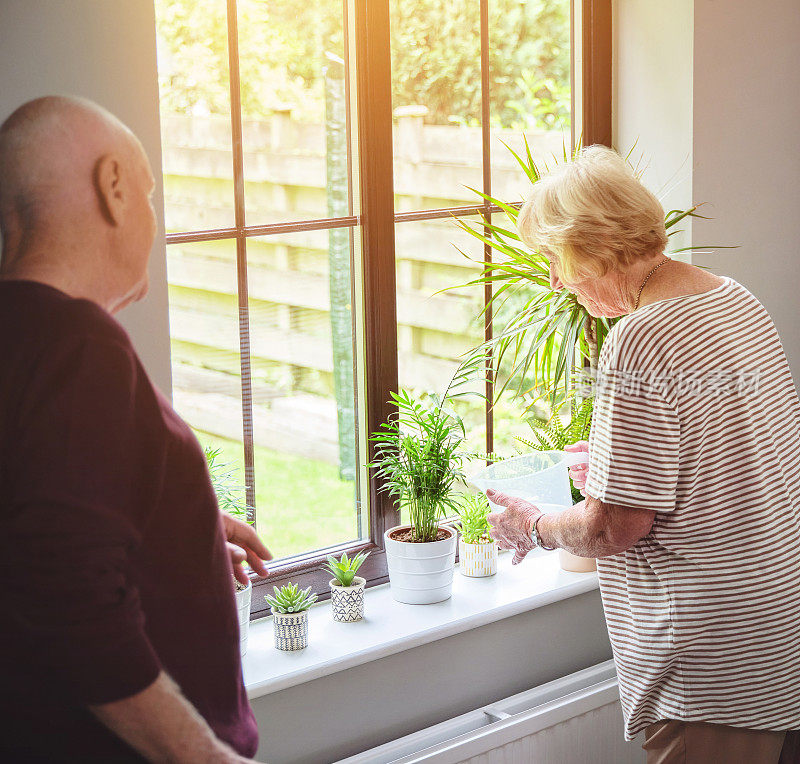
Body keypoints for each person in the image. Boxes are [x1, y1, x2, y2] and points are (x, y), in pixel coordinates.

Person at [486, 145, 800, 763]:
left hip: (709, 666)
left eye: (554, 259)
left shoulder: (639, 337)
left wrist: (536, 526)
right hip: (774, 630)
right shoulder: (733, 299)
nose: (554, 280)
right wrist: (610, 458)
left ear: (592, 249)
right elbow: (733, 442)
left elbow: (614, 526)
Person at [0, 96, 272, 763]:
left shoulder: (20, 339)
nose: (152, 215)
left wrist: (179, 543)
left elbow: (31, 530)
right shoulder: (79, 345)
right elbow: (71, 606)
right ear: (114, 186)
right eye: (149, 192)